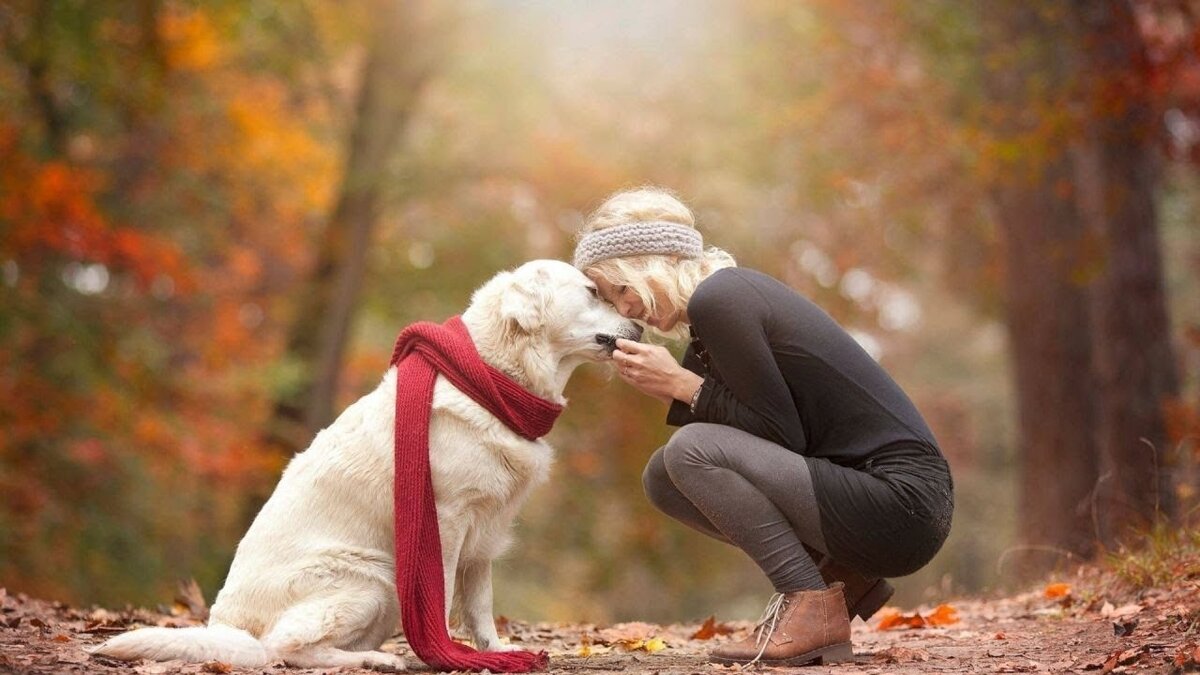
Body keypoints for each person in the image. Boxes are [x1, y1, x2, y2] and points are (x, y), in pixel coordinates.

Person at [571, 187, 954, 667]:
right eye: (612, 301)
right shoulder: (714, 313)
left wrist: (683, 384)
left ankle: (809, 601)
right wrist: (679, 385)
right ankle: (838, 578)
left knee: (690, 450)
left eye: (621, 290)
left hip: (900, 503)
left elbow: (779, 435)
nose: (625, 310)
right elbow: (767, 435)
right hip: (881, 502)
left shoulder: (721, 298)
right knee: (664, 476)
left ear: (650, 264)